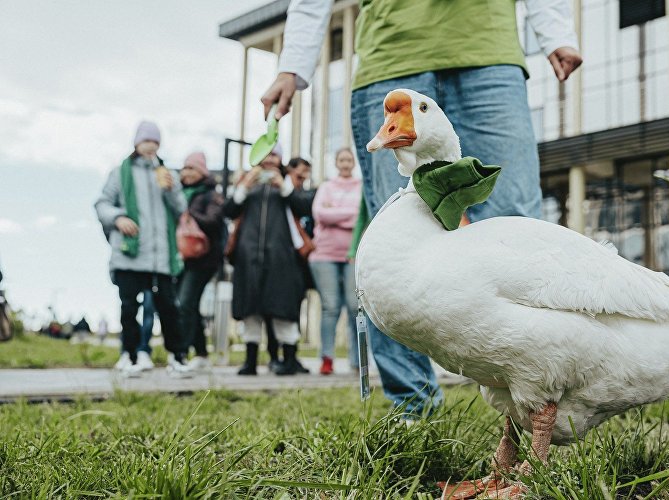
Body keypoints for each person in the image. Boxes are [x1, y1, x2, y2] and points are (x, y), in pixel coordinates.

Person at [262, 0, 582, 417]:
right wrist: (293, 64)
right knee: (392, 248)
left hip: (488, 52)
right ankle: (414, 409)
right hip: (393, 53)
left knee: (517, 219)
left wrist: (555, 29)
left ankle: (537, 402)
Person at [94, 120, 193, 378]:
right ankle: (130, 354)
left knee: (169, 308)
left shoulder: (167, 173)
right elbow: (102, 204)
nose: (151, 146)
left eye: (156, 142)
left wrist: (171, 189)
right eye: (147, 141)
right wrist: (118, 218)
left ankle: (177, 356)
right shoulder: (120, 173)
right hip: (130, 254)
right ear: (137, 144)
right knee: (129, 308)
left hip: (161, 257)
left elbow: (181, 209)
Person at [223, 144, 314, 376]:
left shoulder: (288, 181)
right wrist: (243, 187)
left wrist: (283, 186)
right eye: (265, 154)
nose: (269, 159)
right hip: (248, 256)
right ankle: (250, 361)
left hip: (281, 257)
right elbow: (228, 211)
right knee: (250, 309)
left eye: (274, 155)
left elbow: (305, 207)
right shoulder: (247, 181)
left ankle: (290, 359)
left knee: (282, 307)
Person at [308, 147, 362, 375]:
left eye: (349, 159)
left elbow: (363, 215)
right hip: (324, 256)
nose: (346, 163)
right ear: (336, 162)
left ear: (353, 162)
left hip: (353, 255)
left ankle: (357, 360)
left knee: (354, 307)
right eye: (342, 159)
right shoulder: (326, 187)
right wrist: (349, 214)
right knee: (330, 308)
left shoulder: (362, 187)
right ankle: (327, 358)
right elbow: (320, 214)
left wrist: (335, 213)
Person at [177, 152, 225, 371]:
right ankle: (201, 352)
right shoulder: (179, 194)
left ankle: (182, 353)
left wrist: (190, 214)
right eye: (184, 168)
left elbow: (214, 222)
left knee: (186, 302)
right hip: (182, 258)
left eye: (191, 168)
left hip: (204, 259)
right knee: (188, 305)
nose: (186, 173)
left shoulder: (210, 196)